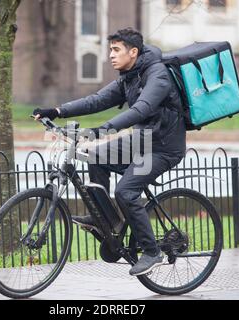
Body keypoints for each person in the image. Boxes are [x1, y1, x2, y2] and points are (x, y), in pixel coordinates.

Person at [33, 28, 186, 276]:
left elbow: (142, 109)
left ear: (133, 52)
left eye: (116, 50)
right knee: (94, 157)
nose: (111, 56)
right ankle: (108, 219)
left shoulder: (157, 75)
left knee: (126, 191)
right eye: (110, 50)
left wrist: (103, 129)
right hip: (143, 139)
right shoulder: (130, 75)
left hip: (165, 147)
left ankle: (151, 252)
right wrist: (57, 111)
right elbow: (97, 100)